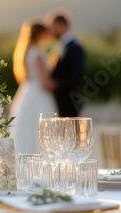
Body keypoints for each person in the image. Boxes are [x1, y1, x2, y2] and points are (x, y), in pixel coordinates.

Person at [8, 21, 57, 154]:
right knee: (42, 129)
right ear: (41, 34)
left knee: (26, 128)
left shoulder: (26, 51)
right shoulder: (38, 53)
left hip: (27, 92)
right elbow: (45, 82)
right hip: (39, 94)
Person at [47, 10, 86, 117]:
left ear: (61, 25)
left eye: (53, 27)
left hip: (70, 100)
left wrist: (56, 85)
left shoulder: (76, 47)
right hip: (60, 100)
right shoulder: (61, 45)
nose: (51, 31)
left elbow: (76, 74)